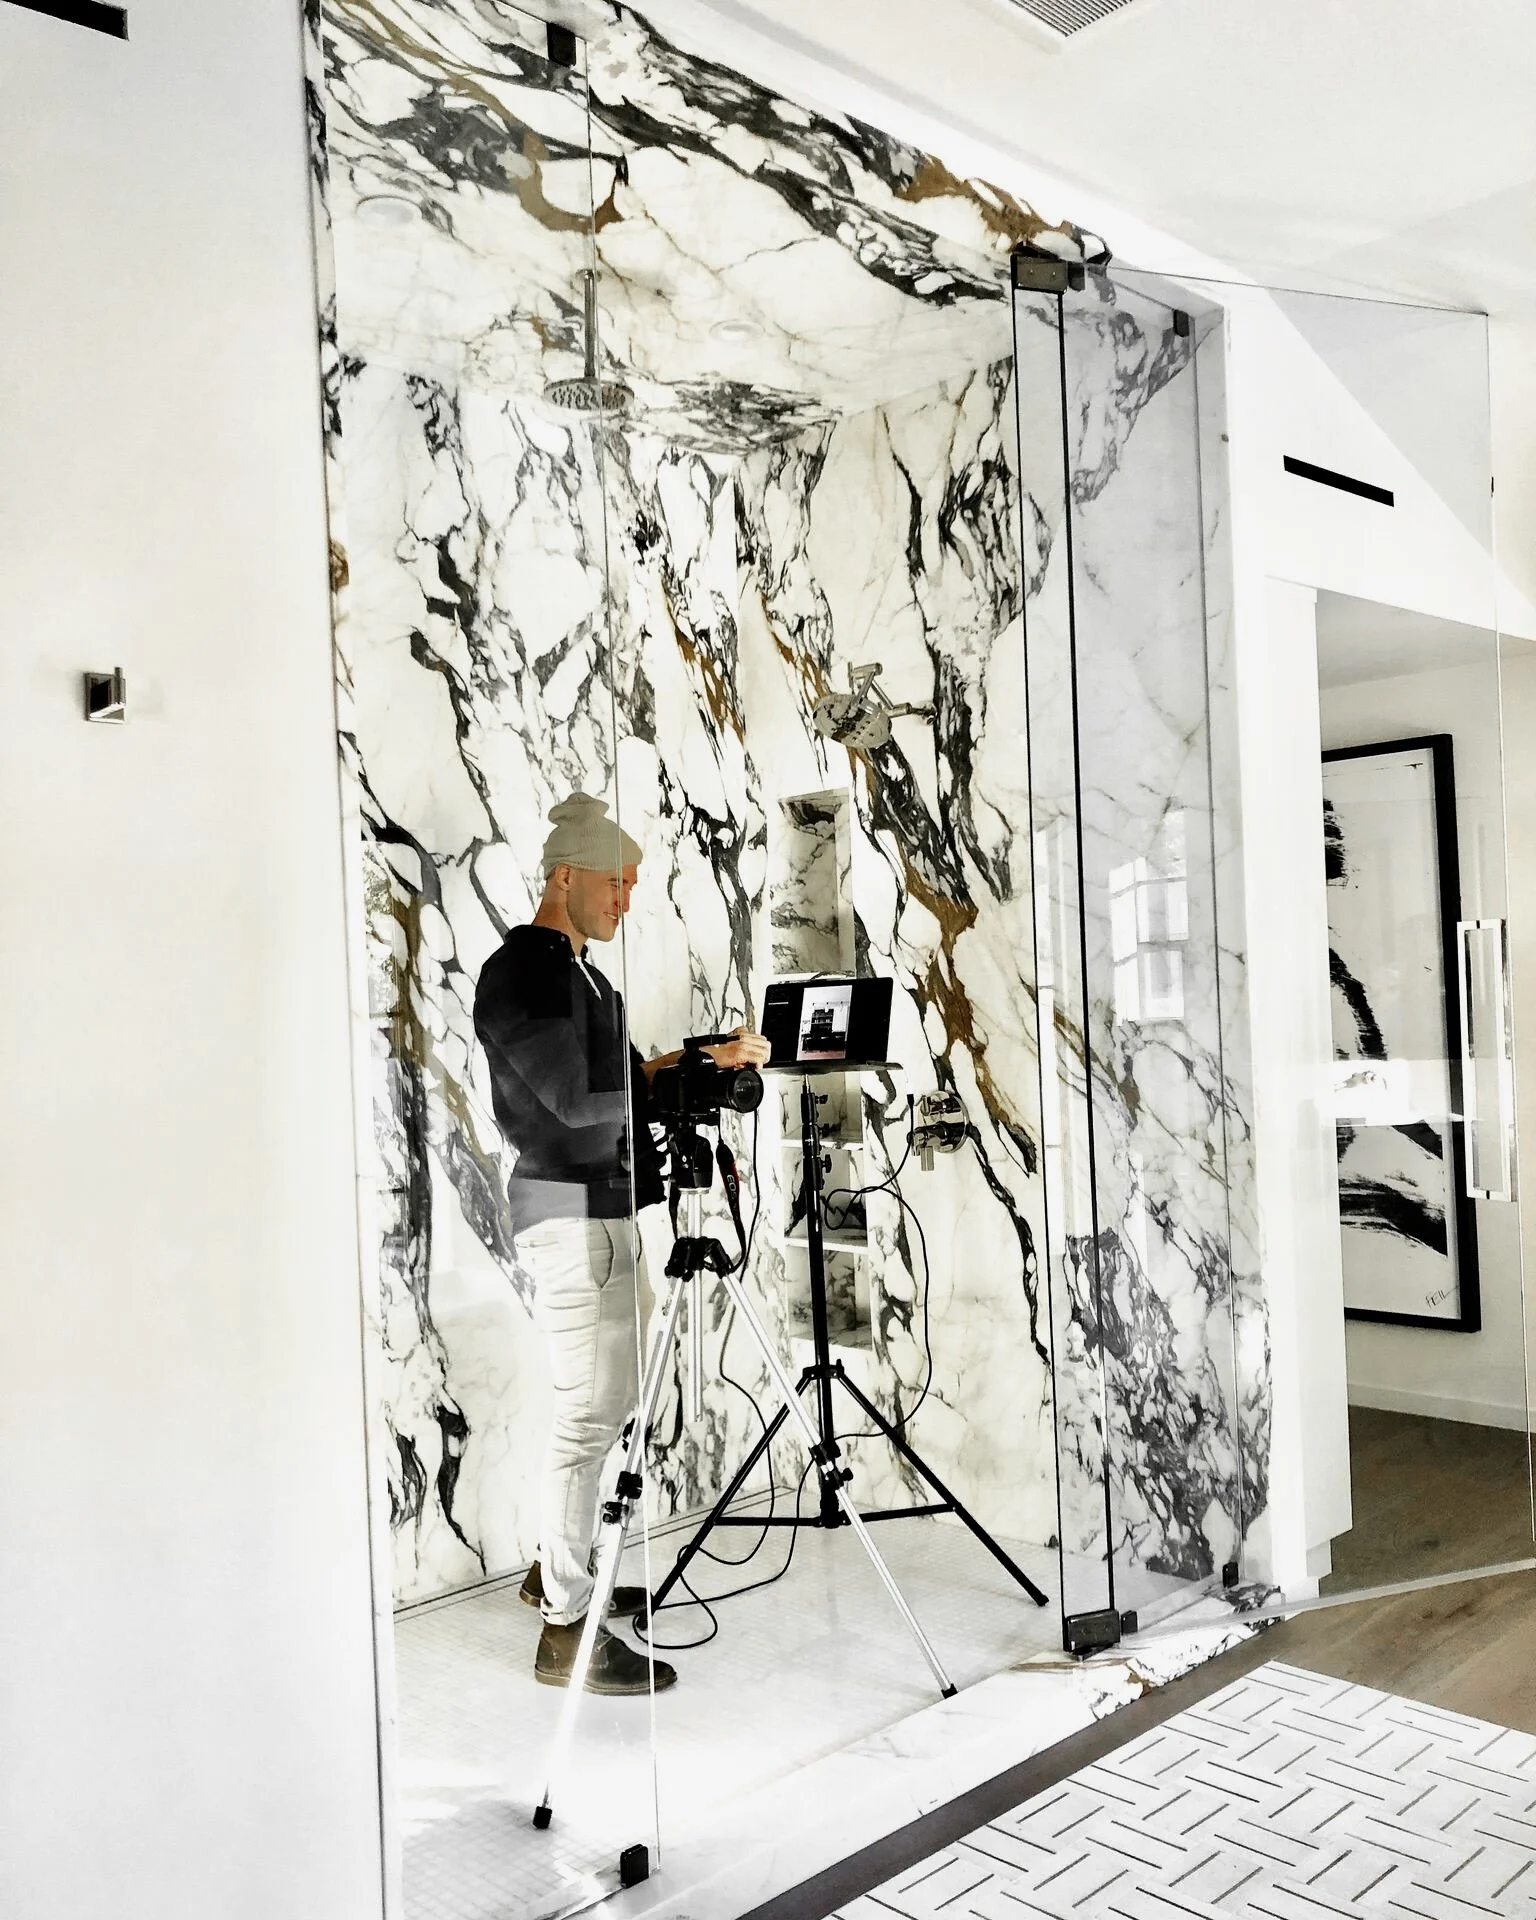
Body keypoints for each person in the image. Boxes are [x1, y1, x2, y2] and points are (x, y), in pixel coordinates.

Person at [473, 793, 769, 1695]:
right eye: (617, 881)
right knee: (586, 1418)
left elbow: (623, 1081)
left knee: (607, 1402)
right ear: (566, 875)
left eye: (635, 884)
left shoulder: (584, 975)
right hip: (568, 1214)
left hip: (603, 1211)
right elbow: (573, 1102)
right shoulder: (523, 971)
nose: (626, 900)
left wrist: (697, 1061)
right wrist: (687, 1074)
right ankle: (566, 1627)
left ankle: (552, 1567)